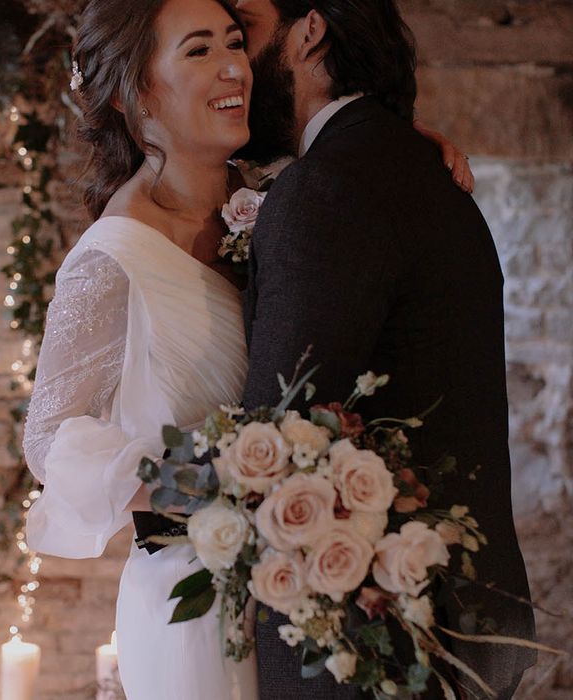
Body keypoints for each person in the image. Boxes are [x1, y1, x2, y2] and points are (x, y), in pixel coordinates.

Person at [21, 0, 477, 697]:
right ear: (133, 90)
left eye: (235, 42)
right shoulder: (110, 259)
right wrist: (214, 482)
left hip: (306, 596)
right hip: (192, 599)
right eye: (200, 50)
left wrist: (410, 149)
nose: (236, 65)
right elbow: (50, 443)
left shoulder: (278, 195)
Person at [236, 1, 536, 698]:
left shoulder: (330, 188)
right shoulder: (421, 173)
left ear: (309, 30)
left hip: (366, 646)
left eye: (247, 32)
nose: (235, 65)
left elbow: (277, 435)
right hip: (458, 619)